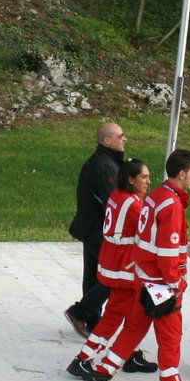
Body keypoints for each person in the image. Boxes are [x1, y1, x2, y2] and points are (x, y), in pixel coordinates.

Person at [83, 149, 190, 381]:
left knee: (133, 331)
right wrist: (176, 284)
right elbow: (168, 252)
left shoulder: (156, 196)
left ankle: (101, 375)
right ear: (182, 174)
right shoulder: (172, 205)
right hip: (161, 285)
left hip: (144, 280)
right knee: (171, 339)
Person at [66, 159, 149, 379]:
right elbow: (148, 232)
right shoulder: (134, 204)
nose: (148, 182)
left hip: (113, 263)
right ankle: (84, 359)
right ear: (131, 179)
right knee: (114, 317)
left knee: (127, 313)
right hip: (124, 268)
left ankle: (129, 353)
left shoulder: (116, 196)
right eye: (144, 177)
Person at [64, 122, 125, 339]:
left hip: (92, 229)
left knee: (93, 275)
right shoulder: (104, 165)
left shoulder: (105, 162)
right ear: (107, 140)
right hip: (100, 232)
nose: (124, 139)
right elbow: (114, 202)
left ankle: (92, 320)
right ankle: (80, 312)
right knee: (115, 276)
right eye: (120, 136)